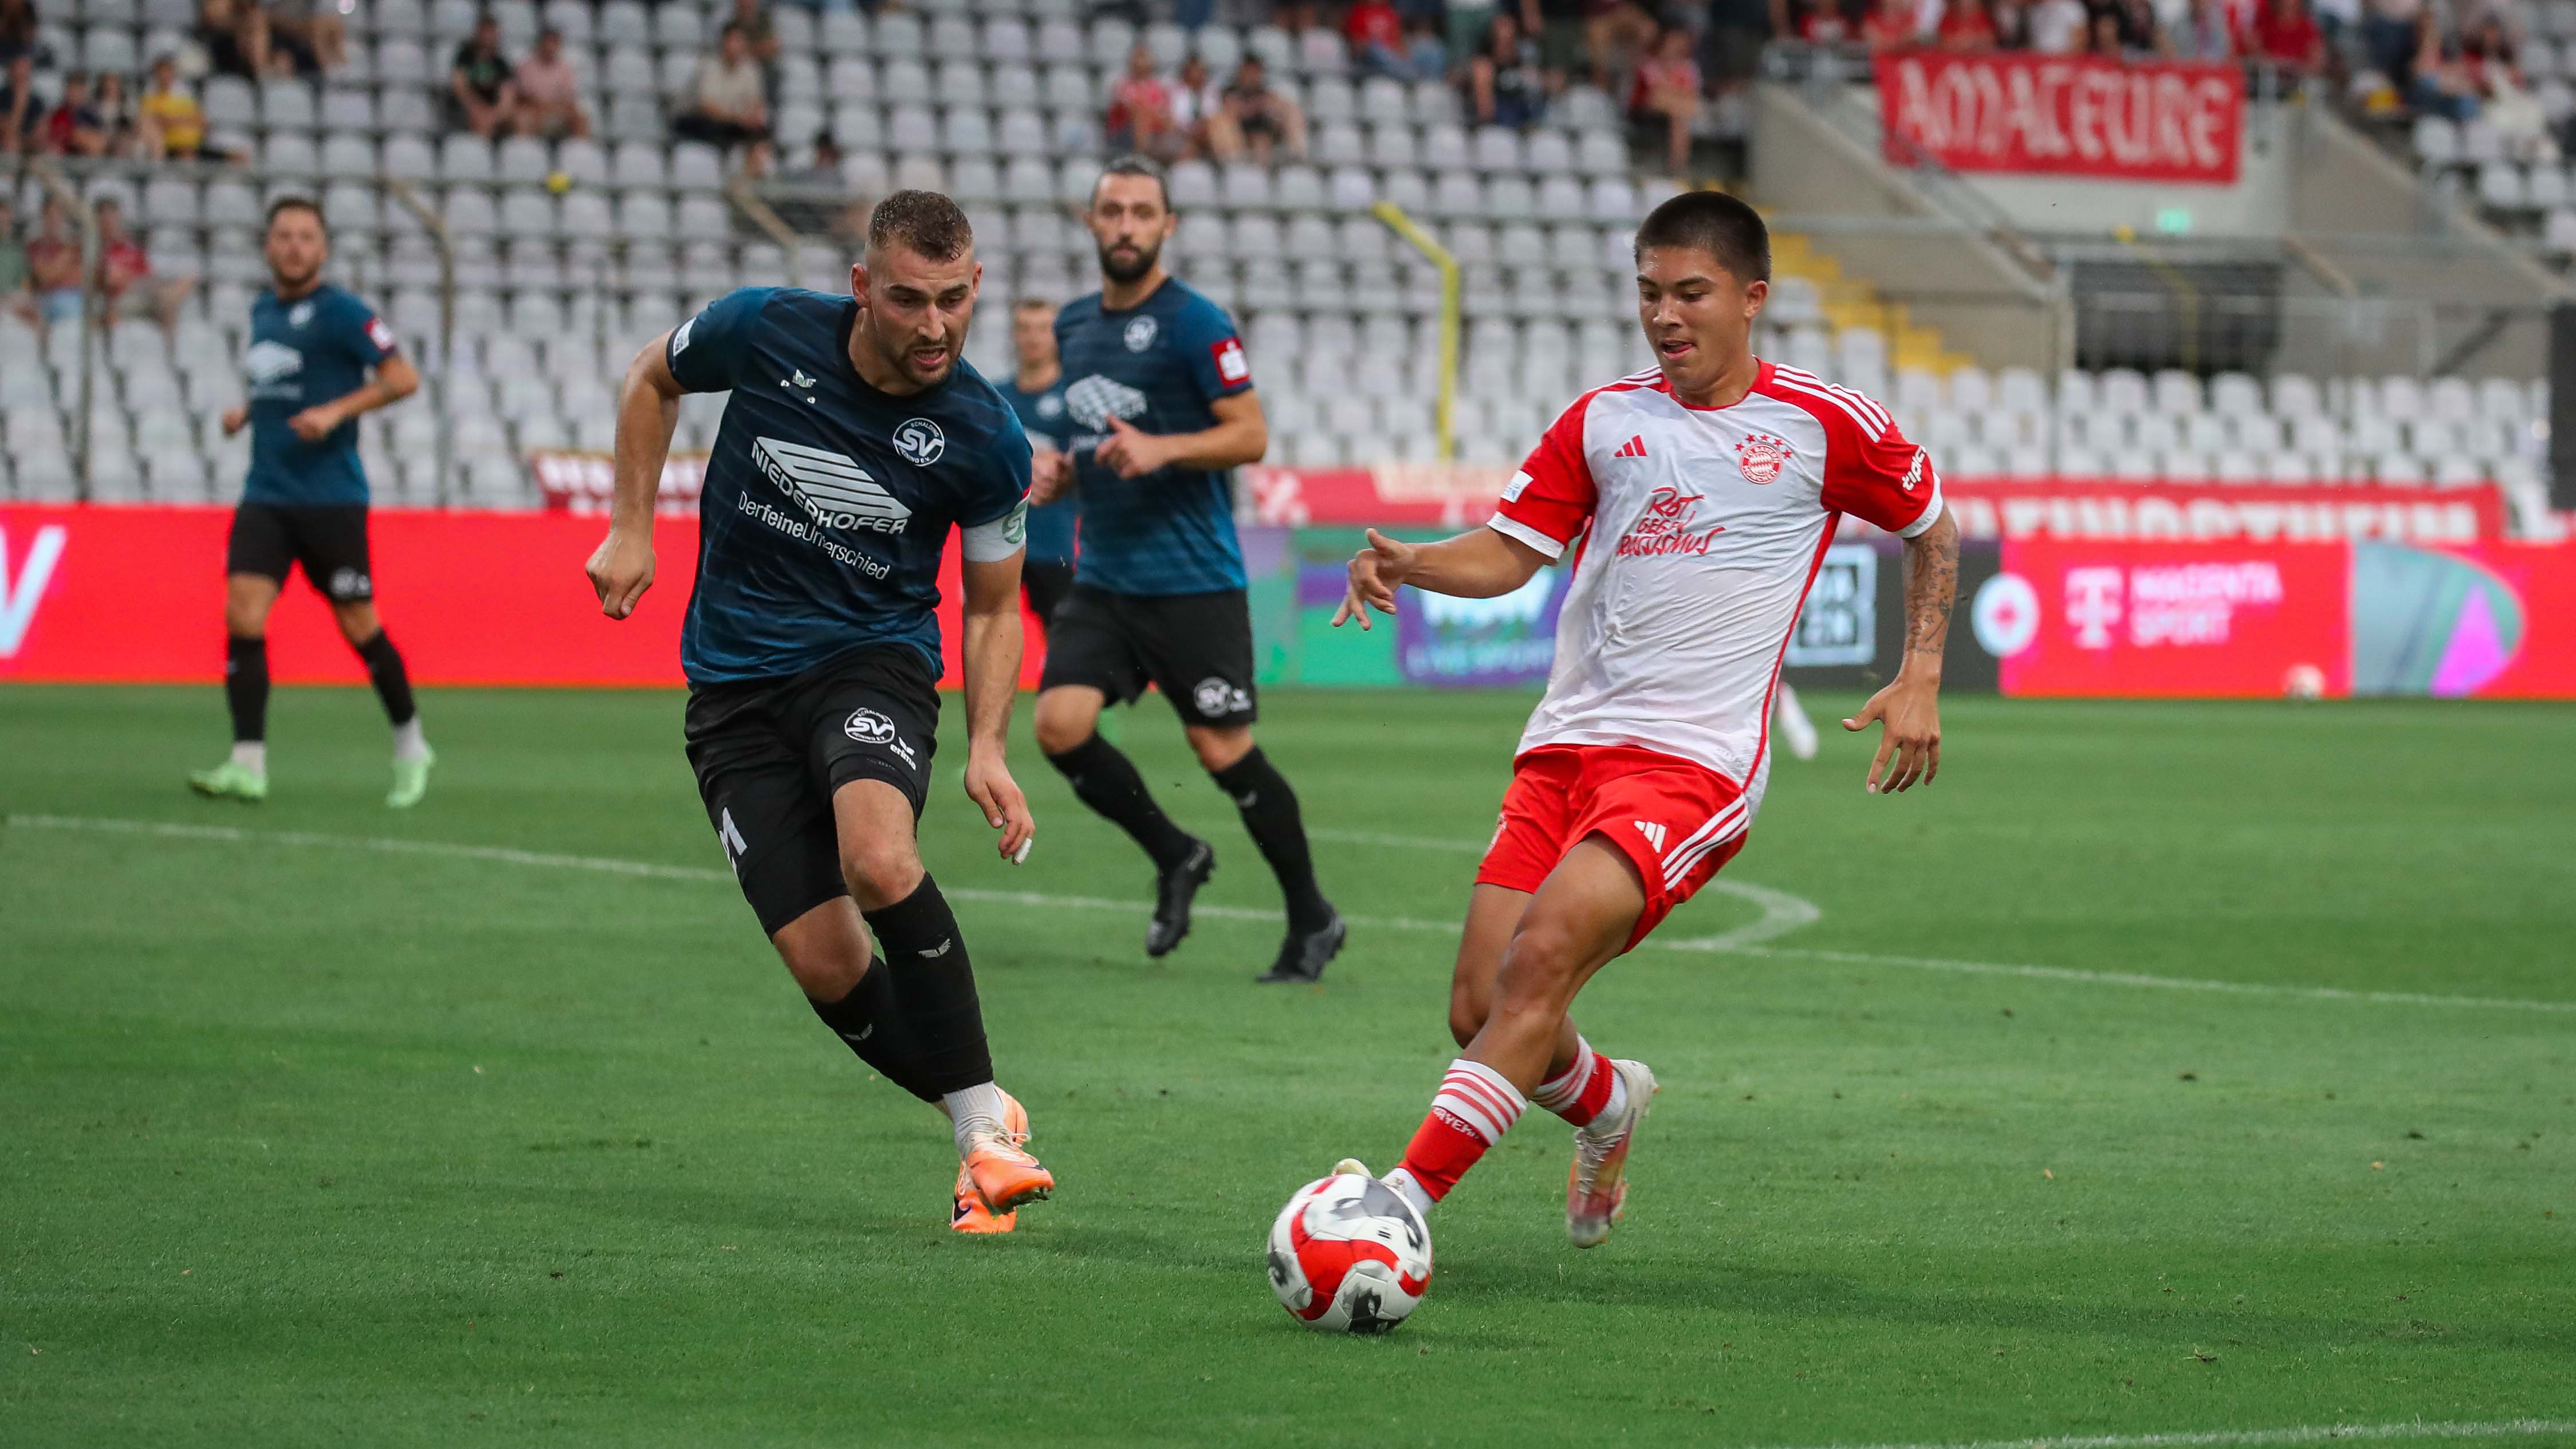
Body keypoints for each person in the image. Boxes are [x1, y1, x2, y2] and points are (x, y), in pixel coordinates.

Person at [1323, 189, 1956, 1254]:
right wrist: (1412, 561)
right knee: (1479, 999)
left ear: (1751, 299)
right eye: (1649, 293)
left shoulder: (1823, 422)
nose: (1665, 316)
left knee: (1540, 961)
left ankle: (1396, 1213)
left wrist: (1922, 670)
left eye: (1690, 293)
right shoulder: (1602, 419)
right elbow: (1512, 552)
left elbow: (1931, 526)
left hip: (1691, 768)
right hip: (1564, 748)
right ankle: (1610, 1103)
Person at [580, 190, 1055, 1237]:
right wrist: (630, 530)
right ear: (860, 288)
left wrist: (986, 745)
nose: (934, 326)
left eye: (953, 300)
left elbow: (990, 607)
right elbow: (653, 377)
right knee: (828, 968)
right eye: (907, 300)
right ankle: (977, 1105)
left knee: (879, 860)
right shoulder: (767, 328)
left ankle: (980, 1134)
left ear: (975, 287)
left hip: (869, 662)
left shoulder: (984, 436)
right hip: (732, 688)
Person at [1027, 157, 1343, 985]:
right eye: (1111, 211)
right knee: (1058, 725)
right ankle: (1176, 853)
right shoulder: (1073, 327)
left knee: (1220, 748)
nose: (1125, 225)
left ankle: (1311, 914)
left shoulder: (1197, 322)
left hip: (1193, 578)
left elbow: (1250, 434)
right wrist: (1066, 470)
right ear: (1091, 222)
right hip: (1106, 578)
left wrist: (1164, 447)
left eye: (1141, 212)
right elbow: (1100, 435)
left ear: (1167, 226)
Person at [189, 198, 430, 808]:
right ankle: (248, 763)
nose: (294, 246)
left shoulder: (344, 311)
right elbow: (282, 378)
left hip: (330, 499)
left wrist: (336, 412)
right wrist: (250, 410)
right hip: (266, 493)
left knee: (359, 625)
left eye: (306, 237)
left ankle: (411, 743)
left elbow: (403, 378)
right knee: (242, 614)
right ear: (268, 246)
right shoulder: (263, 311)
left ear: (322, 249)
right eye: (284, 236)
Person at [1000, 296, 1077, 632]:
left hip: (1054, 542)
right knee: (986, 628)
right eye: (1024, 328)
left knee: (1064, 638)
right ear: (1014, 335)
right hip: (998, 540)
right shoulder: (995, 396)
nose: (1032, 337)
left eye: (1043, 329)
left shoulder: (1075, 397)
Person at [674, 22, 772, 176]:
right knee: (717, 129)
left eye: (741, 42)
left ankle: (755, 175)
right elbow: (707, 107)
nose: (737, 47)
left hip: (731, 123)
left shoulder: (750, 68)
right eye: (734, 41)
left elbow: (756, 102)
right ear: (723, 43)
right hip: (697, 120)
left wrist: (753, 118)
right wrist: (739, 120)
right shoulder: (710, 65)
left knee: (762, 131)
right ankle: (721, 173)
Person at [96, 199, 195, 330]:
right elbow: (109, 279)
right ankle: (170, 295)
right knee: (166, 299)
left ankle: (170, 347)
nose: (111, 225)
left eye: (114, 220)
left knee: (175, 294)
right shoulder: (93, 249)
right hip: (114, 300)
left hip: (140, 294)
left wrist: (128, 277)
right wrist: (129, 278)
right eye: (106, 221)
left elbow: (148, 276)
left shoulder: (130, 248)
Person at [1626, 26, 1701, 176]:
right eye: (1673, 42)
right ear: (1664, 43)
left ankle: (1678, 165)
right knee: (1677, 109)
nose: (1677, 46)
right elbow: (1654, 95)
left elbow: (1691, 94)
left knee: (1680, 116)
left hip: (1675, 111)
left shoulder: (1689, 66)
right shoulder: (1650, 65)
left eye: (1680, 42)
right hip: (1642, 110)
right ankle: (1678, 166)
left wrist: (1675, 97)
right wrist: (1677, 97)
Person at [1205, 55, 1307, 163]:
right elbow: (1233, 110)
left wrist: (1271, 108)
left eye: (1255, 72)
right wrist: (1256, 106)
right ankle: (1233, 162)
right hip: (1239, 135)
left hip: (1263, 134)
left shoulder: (1266, 93)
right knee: (1221, 122)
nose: (1252, 77)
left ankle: (1298, 156)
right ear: (1241, 73)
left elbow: (1278, 108)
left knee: (1293, 112)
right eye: (1249, 72)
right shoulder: (1230, 91)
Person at [1468, 12, 1549, 129]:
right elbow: (1485, 111)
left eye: (1510, 38)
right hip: (1496, 126)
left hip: (1526, 120)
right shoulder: (1484, 66)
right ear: (1493, 38)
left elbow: (1540, 95)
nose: (1506, 42)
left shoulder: (1525, 62)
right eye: (1501, 39)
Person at [1103, 44, 1179, 160]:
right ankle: (1142, 158)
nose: (1142, 64)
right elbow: (1129, 110)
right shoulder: (1122, 85)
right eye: (1139, 58)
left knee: (1170, 120)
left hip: (1155, 131)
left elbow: (1164, 113)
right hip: (1124, 132)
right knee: (1141, 115)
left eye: (1145, 58)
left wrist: (1156, 117)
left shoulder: (1158, 88)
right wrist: (1150, 113)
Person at [513, 26, 590, 139]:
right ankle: (527, 152)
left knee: (581, 119)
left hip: (558, 111)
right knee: (523, 118)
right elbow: (525, 97)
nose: (550, 47)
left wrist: (551, 107)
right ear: (540, 44)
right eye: (547, 43)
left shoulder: (565, 69)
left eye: (554, 43)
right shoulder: (526, 67)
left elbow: (568, 98)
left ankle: (580, 154)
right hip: (534, 110)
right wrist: (545, 106)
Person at [448, 13, 516, 136]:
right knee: (479, 122)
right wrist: (476, 109)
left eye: (492, 33)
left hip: (492, 111)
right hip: (467, 108)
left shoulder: (501, 63)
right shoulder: (465, 56)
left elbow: (508, 95)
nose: (489, 37)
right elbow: (459, 87)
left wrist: (494, 115)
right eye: (486, 32)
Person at [25, 197, 81, 328]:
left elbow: (79, 278)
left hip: (72, 297)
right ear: (43, 217)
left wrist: (54, 270)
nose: (55, 221)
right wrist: (66, 259)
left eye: (59, 216)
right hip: (44, 299)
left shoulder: (74, 247)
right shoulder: (35, 246)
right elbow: (43, 277)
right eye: (51, 216)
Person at [138, 56, 209, 160]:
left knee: (187, 153)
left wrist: (171, 121)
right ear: (156, 74)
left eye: (167, 72)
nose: (164, 76)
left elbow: (200, 120)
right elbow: (152, 121)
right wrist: (181, 120)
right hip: (163, 141)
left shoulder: (185, 94)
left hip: (186, 140)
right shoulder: (150, 96)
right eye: (161, 72)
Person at [42, 70, 108, 156]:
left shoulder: (92, 116)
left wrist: (74, 136)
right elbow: (44, 136)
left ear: (84, 92)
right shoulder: (56, 114)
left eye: (78, 91)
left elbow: (98, 144)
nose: (73, 94)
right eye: (71, 90)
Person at [2251, 0, 2326, 72]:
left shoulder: (2308, 28)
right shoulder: (2265, 22)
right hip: (2269, 76)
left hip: (2298, 80)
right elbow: (2255, 51)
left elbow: (2316, 61)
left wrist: (2295, 67)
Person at [1345, 0, 1411, 76]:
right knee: (1376, 49)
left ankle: (1403, 71)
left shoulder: (1390, 13)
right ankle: (1402, 72)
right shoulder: (1359, 13)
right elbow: (1355, 43)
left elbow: (1399, 41)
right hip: (1369, 57)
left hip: (1390, 54)